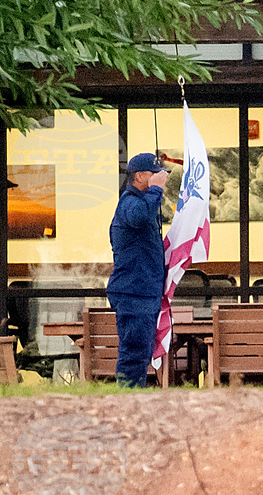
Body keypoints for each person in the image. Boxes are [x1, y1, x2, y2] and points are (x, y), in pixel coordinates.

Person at [107, 152, 169, 387]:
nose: (161, 178)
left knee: (141, 353)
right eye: (155, 174)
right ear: (140, 176)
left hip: (142, 292)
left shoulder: (139, 201)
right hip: (134, 293)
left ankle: (133, 399)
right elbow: (140, 218)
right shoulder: (131, 202)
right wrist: (156, 191)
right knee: (134, 354)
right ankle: (128, 402)